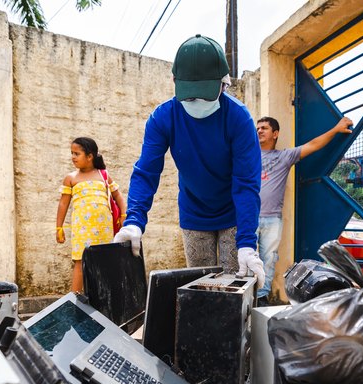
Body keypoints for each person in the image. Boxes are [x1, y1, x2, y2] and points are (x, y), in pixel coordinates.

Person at [113, 34, 265, 288]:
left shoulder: (239, 119)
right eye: (190, 96)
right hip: (194, 212)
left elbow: (246, 183)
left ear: (223, 84)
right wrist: (133, 221)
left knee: (237, 288)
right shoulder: (163, 118)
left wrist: (247, 243)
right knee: (199, 291)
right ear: (175, 82)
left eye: (205, 95)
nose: (197, 103)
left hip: (234, 215)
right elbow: (146, 172)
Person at [255, 115, 353, 304]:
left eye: (264, 128)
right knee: (245, 259)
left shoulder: (284, 156)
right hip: (248, 217)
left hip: (272, 219)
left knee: (268, 260)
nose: (259, 130)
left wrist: (335, 129)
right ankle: (245, 297)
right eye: (258, 128)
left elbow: (313, 145)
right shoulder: (247, 156)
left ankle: (261, 298)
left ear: (275, 134)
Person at [56, 137, 127, 292]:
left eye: (77, 154)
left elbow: (118, 196)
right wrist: (59, 227)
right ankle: (74, 300)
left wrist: (123, 215)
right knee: (80, 261)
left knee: (105, 261)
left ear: (90, 156)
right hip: (82, 229)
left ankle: (106, 299)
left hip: (104, 228)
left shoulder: (104, 175)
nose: (73, 157)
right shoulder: (71, 178)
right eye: (72, 153)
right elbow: (63, 203)